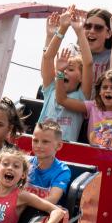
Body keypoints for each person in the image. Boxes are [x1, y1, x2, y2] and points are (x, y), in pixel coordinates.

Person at [36, 10, 88, 142]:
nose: (63, 70)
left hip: (65, 152)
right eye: (61, 68)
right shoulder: (51, 90)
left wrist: (80, 32)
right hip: (40, 147)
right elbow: (48, 58)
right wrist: (61, 29)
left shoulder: (81, 97)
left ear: (81, 77)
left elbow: (89, 63)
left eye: (69, 69)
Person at [26, 119, 74, 204]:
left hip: (43, 214)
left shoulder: (62, 171)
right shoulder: (24, 163)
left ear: (58, 146)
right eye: (35, 140)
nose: (39, 145)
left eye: (45, 142)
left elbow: (52, 199)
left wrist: (23, 201)